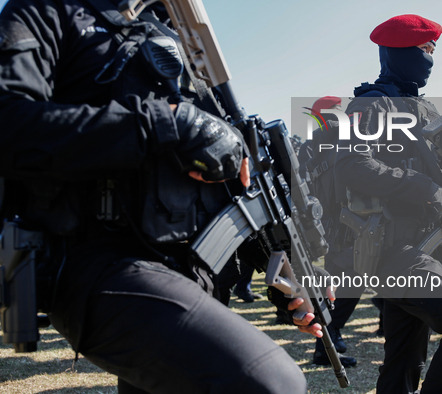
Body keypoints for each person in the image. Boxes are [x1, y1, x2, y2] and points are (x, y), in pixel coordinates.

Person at [0, 1, 323, 393]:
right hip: (98, 262)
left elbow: (219, 174)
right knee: (274, 383)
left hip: (191, 271)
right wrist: (165, 124)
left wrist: (279, 266)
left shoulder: (178, 32)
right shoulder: (47, 11)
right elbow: (10, 125)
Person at [333, 15, 442, 394]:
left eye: (432, 51)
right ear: (402, 53)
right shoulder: (370, 104)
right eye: (425, 50)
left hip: (425, 244)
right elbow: (350, 164)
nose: (430, 58)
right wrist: (421, 186)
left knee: (405, 358)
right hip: (391, 247)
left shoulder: (421, 108)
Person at [297, 96, 359, 368]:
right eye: (337, 112)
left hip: (341, 224)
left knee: (346, 284)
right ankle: (327, 342)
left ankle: (329, 339)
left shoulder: (321, 145)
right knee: (345, 285)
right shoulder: (322, 146)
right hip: (338, 226)